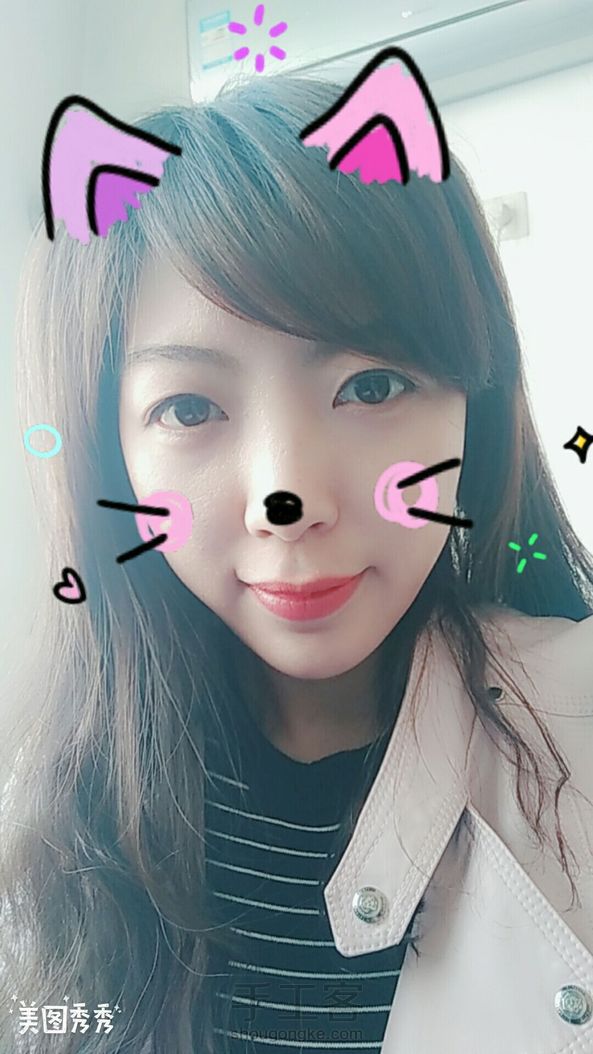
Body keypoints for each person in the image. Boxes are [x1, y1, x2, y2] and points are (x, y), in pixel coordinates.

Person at [1, 69, 593, 1054]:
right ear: (110, 453)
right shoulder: (49, 800)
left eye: (371, 385)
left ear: (473, 405)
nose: (288, 499)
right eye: (189, 408)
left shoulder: (576, 719)